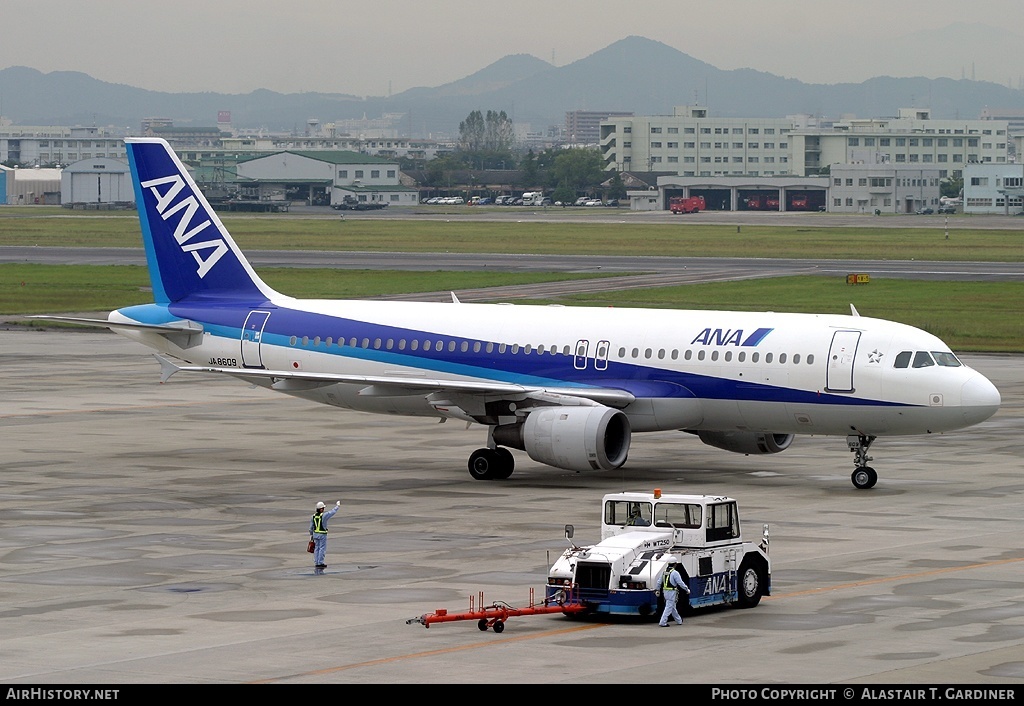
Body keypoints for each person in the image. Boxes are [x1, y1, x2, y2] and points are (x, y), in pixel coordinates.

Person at [309, 500, 340, 569]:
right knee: (322, 548)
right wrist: (337, 506)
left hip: (315, 534)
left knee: (316, 548)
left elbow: (311, 528)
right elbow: (331, 512)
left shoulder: (313, 516)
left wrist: (311, 535)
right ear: (321, 509)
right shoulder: (324, 516)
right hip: (322, 534)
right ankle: (320, 562)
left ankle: (316, 562)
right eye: (323, 508)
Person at [659, 560, 689, 627]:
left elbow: (659, 581)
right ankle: (662, 622)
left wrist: (657, 589)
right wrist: (686, 589)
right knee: (669, 607)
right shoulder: (675, 573)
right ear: (675, 564)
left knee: (672, 607)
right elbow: (680, 583)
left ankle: (679, 620)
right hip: (672, 592)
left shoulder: (664, 572)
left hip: (665, 592)